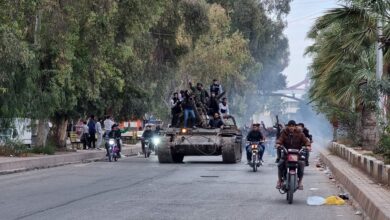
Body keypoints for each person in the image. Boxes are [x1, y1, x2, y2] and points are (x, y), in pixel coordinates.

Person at [275, 120, 311, 190]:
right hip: (286, 154)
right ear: (288, 126)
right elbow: (280, 139)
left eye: (293, 126)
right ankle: (279, 181)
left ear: (295, 127)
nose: (291, 128)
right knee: (280, 164)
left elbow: (306, 141)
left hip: (297, 154)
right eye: (290, 126)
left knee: (301, 164)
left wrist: (308, 146)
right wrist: (278, 144)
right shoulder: (284, 133)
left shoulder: (300, 133)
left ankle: (300, 182)